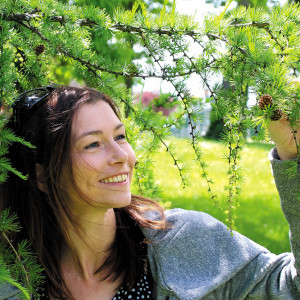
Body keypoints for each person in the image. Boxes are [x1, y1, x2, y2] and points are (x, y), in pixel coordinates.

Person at [0, 85, 299, 300]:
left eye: (120, 136)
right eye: (93, 144)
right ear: (41, 175)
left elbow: (289, 289)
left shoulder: (183, 240)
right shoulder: (13, 281)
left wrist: (292, 154)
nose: (123, 156)